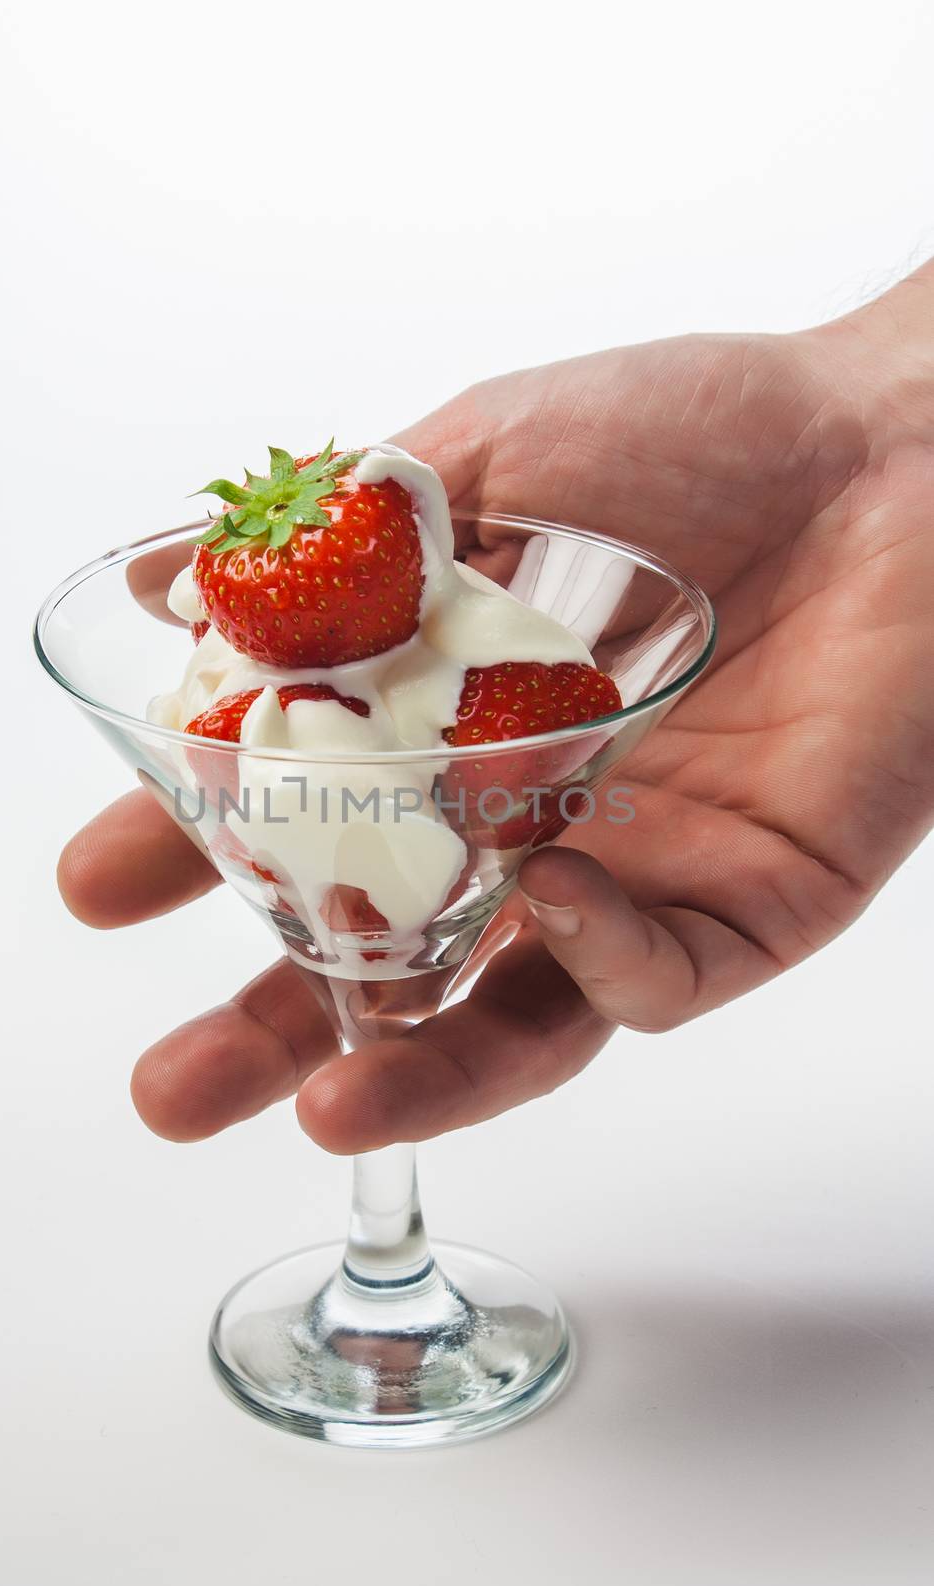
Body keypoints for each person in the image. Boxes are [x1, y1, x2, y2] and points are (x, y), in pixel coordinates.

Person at [57, 260, 934, 1155]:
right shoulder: (250, 684)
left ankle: (388, 1263)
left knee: (357, 1093)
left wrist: (881, 410)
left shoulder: (492, 656)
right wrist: (868, 401)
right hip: (328, 807)